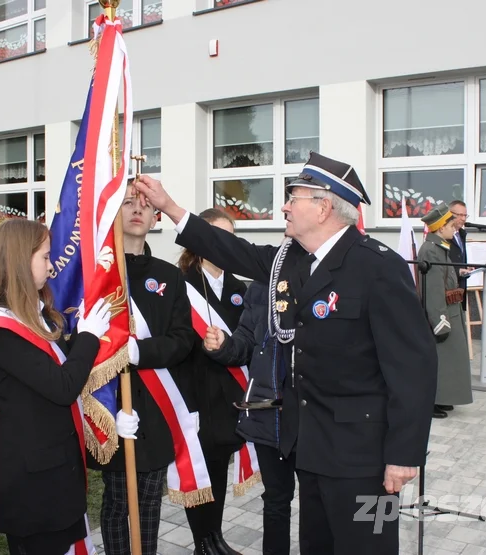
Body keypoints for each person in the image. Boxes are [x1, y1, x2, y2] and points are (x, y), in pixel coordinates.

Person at [134, 152, 438, 554]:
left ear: (324, 206)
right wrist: (171, 208)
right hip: (310, 449)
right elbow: (233, 250)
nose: (284, 206)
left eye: (293, 198)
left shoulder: (378, 267)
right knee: (316, 545)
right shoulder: (291, 260)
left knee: (370, 546)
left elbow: (413, 367)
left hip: (365, 459)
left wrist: (404, 454)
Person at [0, 218, 111, 555]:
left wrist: (80, 336)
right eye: (45, 257)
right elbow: (62, 386)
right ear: (19, 260)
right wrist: (89, 336)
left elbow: (55, 366)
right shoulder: (1, 326)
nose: (51, 266)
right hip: (33, 483)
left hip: (55, 469)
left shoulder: (33, 312)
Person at [88, 184, 197, 555]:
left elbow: (184, 340)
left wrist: (140, 351)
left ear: (156, 217)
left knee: (149, 504)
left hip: (155, 404)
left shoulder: (169, 276)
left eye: (145, 205)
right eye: (128, 204)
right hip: (112, 403)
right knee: (118, 503)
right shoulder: (97, 274)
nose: (137, 210)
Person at [202, 280, 296, 555]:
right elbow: (245, 342)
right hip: (269, 414)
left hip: (313, 417)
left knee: (320, 503)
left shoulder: (326, 277)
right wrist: (224, 345)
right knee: (276, 501)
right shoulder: (262, 286)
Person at [178, 208, 248, 555]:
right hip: (194, 393)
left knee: (218, 466)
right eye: (217, 235)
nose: (225, 243)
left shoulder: (239, 288)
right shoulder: (181, 283)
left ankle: (215, 536)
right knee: (199, 469)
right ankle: (202, 542)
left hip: (229, 395)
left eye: (230, 237)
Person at [418, 204, 473, 419]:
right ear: (440, 228)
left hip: (450, 309)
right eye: (451, 225)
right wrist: (440, 321)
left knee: (451, 360)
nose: (455, 228)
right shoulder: (431, 250)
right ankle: (433, 399)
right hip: (442, 313)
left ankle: (444, 397)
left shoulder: (440, 247)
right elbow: (432, 291)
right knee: (441, 359)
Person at [448, 200, 470, 310]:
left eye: (465, 215)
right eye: (460, 215)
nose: (464, 219)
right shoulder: (444, 235)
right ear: (450, 214)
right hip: (449, 290)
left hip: (461, 287)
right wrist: (458, 271)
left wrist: (466, 267)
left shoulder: (461, 234)